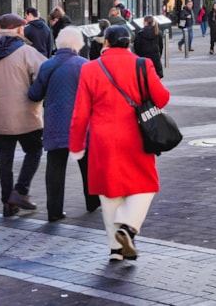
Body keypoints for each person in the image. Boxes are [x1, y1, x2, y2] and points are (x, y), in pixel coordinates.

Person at [69, 24, 171, 263]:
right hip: (135, 135)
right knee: (145, 184)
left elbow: (80, 112)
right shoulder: (142, 64)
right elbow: (163, 98)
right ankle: (128, 227)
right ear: (130, 42)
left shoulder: (90, 69)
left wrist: (76, 145)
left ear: (106, 43)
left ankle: (115, 248)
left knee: (109, 193)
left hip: (102, 138)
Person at [0, 13, 46, 216]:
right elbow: (43, 76)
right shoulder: (27, 53)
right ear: (19, 29)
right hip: (27, 117)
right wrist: (34, 97)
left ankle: (8, 202)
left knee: (4, 161)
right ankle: (20, 191)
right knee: (34, 151)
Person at [28, 26, 98, 222]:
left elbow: (34, 94)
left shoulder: (47, 65)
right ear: (78, 45)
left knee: (55, 167)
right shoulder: (86, 65)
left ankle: (54, 210)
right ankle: (92, 202)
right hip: (82, 125)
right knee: (87, 164)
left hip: (55, 124)